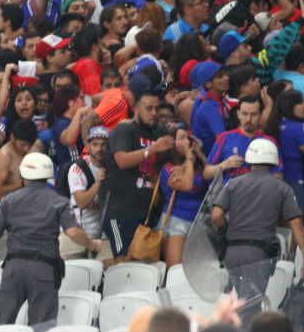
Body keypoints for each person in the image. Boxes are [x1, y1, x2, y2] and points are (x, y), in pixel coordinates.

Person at [0, 153, 102, 329]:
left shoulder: (8, 201)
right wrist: (92, 244)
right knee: (42, 327)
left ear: (23, 177)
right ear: (48, 177)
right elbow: (72, 232)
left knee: (2, 325)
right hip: (43, 270)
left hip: (13, 269)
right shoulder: (58, 201)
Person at [211, 138, 304, 325]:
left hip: (231, 253)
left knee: (234, 303)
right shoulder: (282, 188)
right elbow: (297, 224)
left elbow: (216, 215)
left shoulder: (233, 184)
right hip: (258, 254)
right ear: (273, 161)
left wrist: (225, 230)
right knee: (250, 308)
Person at [102, 88, 175, 259]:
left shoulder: (159, 133)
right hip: (120, 211)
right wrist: (153, 149)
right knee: (123, 262)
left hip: (147, 212)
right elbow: (122, 160)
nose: (154, 113)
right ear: (136, 109)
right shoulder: (125, 130)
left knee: (144, 264)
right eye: (148, 108)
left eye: (156, 109)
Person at [264, 90, 304, 228]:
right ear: (291, 106)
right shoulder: (296, 128)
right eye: (301, 102)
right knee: (297, 217)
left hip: (283, 175)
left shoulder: (279, 122)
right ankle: (293, 249)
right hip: (295, 177)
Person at [155, 127, 208, 267]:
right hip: (176, 222)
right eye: (182, 138)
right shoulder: (168, 168)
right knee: (175, 271)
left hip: (197, 223)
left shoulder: (198, 167)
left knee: (196, 271)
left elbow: (211, 174)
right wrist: (189, 159)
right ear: (173, 144)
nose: (186, 142)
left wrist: (199, 154)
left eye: (188, 138)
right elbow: (187, 185)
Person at [204, 96, 281, 181]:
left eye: (254, 114)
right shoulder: (224, 138)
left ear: (260, 115)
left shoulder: (269, 142)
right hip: (230, 193)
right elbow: (206, 173)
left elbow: (278, 175)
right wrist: (224, 165)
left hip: (258, 193)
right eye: (245, 114)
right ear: (238, 114)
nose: (249, 119)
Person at [68, 126, 109, 239]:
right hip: (81, 232)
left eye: (103, 144)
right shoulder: (78, 168)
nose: (99, 149)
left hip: (106, 232)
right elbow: (81, 202)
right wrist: (97, 184)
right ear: (88, 145)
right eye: (95, 144)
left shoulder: (113, 166)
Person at [190, 61, 231, 154]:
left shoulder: (205, 94)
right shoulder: (210, 108)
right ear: (208, 84)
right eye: (220, 76)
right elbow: (223, 141)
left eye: (224, 74)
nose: (227, 77)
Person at [0, 119, 37, 200]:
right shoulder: (4, 156)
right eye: (22, 145)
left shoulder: (35, 146)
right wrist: (22, 184)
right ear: (12, 137)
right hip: (12, 199)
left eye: (30, 145)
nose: (26, 149)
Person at [51, 85, 90, 167]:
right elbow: (69, 140)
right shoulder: (61, 123)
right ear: (70, 102)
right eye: (81, 98)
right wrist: (79, 112)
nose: (85, 103)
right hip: (69, 172)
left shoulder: (81, 121)